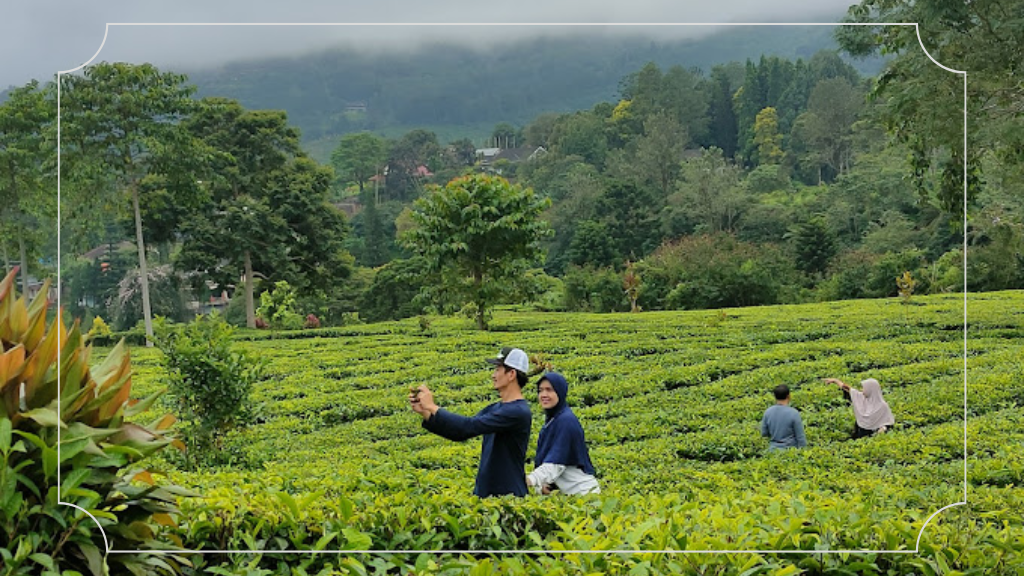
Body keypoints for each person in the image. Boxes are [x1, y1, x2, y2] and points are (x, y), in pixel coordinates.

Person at [409, 346, 532, 497]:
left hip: (507, 495)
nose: (493, 375)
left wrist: (432, 406)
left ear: (511, 374)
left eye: (497, 369)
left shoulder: (517, 412)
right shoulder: (497, 408)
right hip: (488, 493)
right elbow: (460, 432)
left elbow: (468, 426)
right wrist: (426, 412)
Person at [526, 372, 600, 495]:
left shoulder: (566, 421)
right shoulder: (553, 419)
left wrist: (530, 480)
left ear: (560, 392)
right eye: (540, 390)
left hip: (585, 494)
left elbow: (556, 463)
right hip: (572, 495)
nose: (544, 394)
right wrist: (542, 486)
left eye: (549, 390)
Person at [824, 377, 895, 439]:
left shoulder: (882, 405)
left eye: (864, 388)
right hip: (860, 432)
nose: (862, 390)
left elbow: (888, 422)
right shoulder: (862, 397)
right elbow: (847, 388)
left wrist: (883, 428)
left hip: (874, 435)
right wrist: (835, 381)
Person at [760, 384, 807, 450]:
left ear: (775, 396)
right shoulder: (794, 413)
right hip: (790, 451)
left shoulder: (768, 412)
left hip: (773, 450)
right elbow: (800, 437)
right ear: (789, 396)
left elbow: (764, 433)